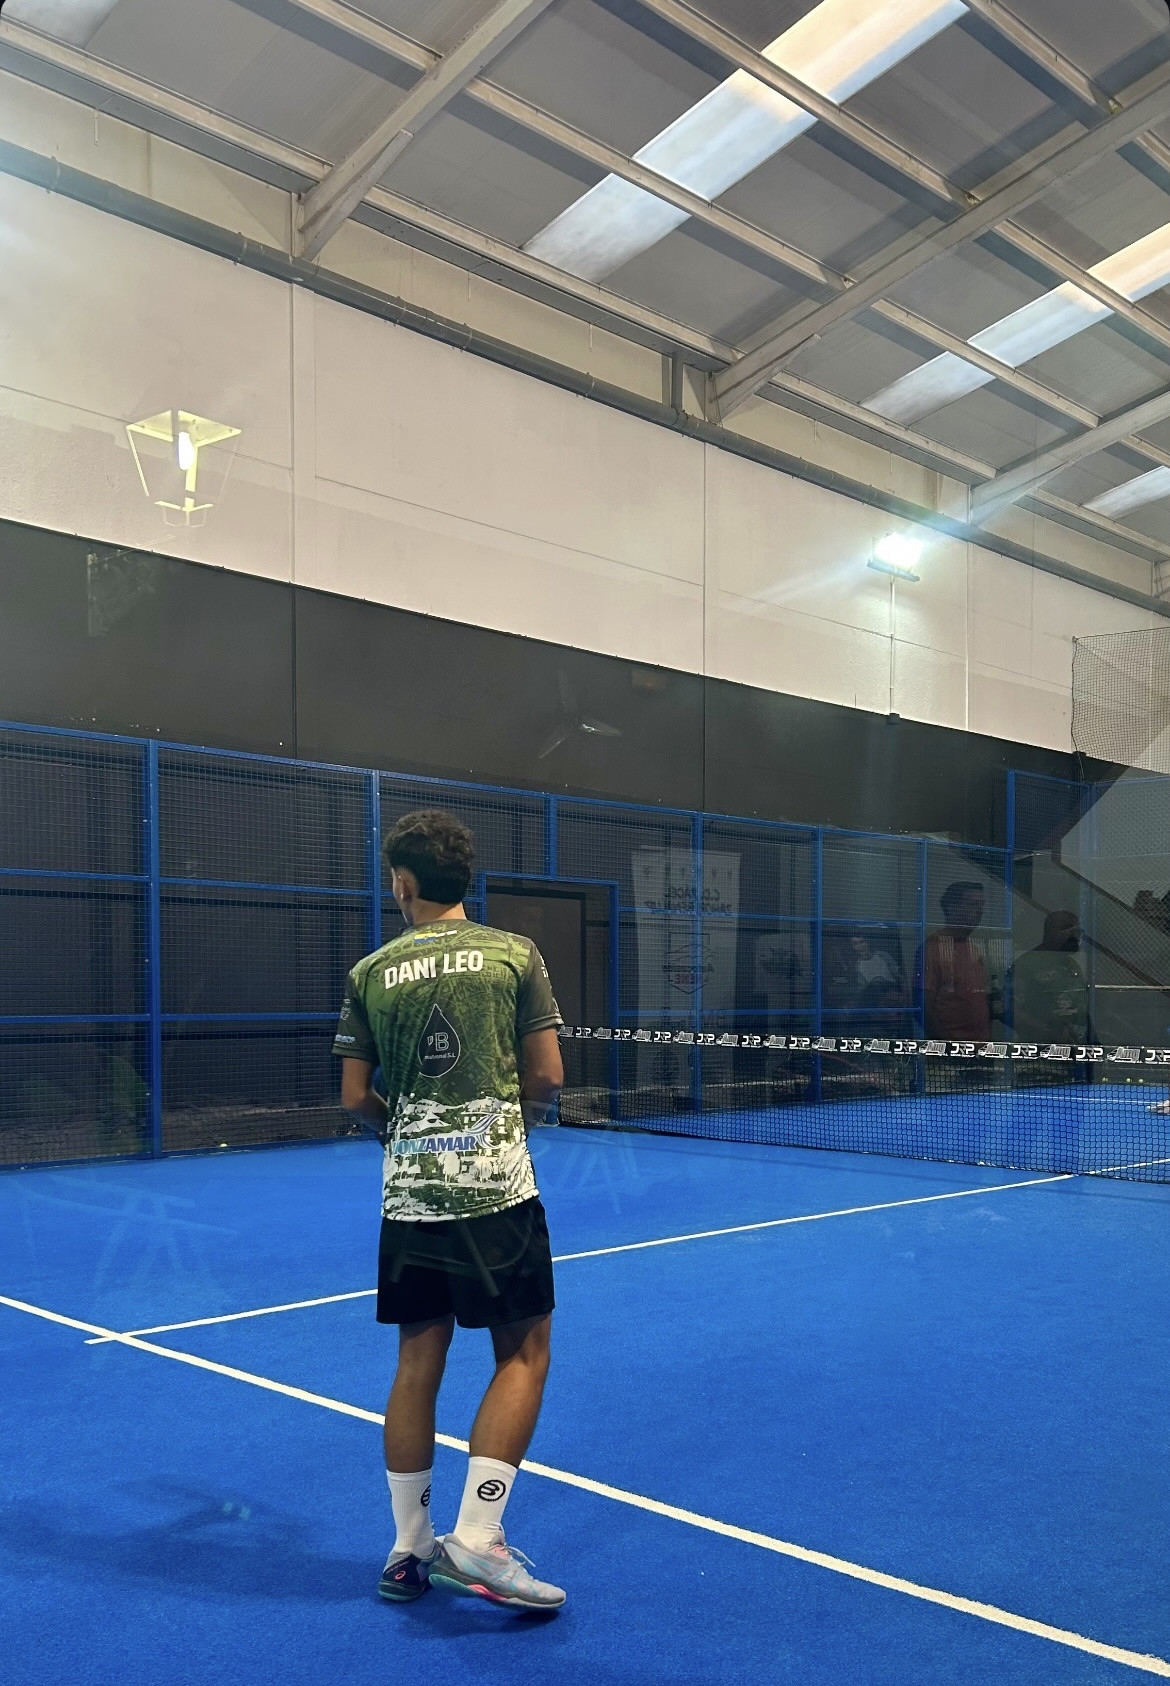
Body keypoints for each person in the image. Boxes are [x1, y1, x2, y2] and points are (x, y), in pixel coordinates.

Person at [333, 809, 566, 1612]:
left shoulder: (370, 972)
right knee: (524, 1352)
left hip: (410, 1198)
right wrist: (500, 1126)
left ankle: (409, 1550)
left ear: (403, 883)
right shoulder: (514, 955)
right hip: (496, 1192)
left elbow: (355, 1097)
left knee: (416, 1362)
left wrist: (408, 1135)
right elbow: (547, 1078)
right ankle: (478, 1538)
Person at [921, 881, 993, 1041]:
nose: (979, 911)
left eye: (981, 905)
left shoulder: (973, 948)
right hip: (951, 1048)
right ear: (952, 908)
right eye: (972, 904)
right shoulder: (934, 948)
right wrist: (945, 1044)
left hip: (980, 1046)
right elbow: (924, 1006)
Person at [1009, 911, 1091, 1045]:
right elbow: (1012, 1012)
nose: (1074, 936)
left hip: (1076, 1049)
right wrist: (1049, 1032)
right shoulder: (1026, 965)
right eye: (1067, 929)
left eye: (1077, 931)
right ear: (1049, 931)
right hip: (1040, 1050)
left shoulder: (1071, 965)